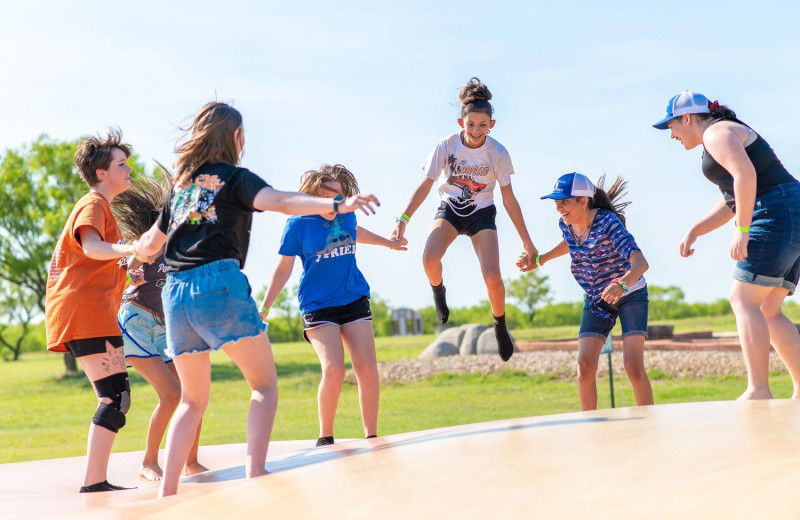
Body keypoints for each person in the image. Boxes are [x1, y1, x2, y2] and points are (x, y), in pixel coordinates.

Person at [132, 102, 380, 497]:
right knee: (263, 385)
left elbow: (148, 246)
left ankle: (169, 494)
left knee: (192, 400)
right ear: (235, 137)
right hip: (218, 283)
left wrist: (122, 249)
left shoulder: (179, 188)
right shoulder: (234, 178)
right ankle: (256, 478)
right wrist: (337, 203)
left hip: (175, 293)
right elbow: (282, 202)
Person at [653, 90, 800, 400]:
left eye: (671, 126)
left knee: (742, 299)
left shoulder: (716, 133)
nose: (671, 135)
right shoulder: (722, 134)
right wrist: (697, 229)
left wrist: (743, 229)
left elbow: (745, 175)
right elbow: (734, 195)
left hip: (776, 210)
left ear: (687, 118)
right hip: (790, 208)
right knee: (768, 308)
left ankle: (759, 389)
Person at [259, 164, 407, 447]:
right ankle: (325, 436)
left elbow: (356, 231)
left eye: (340, 195)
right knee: (334, 369)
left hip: (353, 297)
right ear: (315, 195)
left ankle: (372, 437)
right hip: (318, 306)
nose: (336, 201)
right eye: (330, 196)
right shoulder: (297, 224)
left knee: (367, 368)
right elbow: (282, 269)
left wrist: (388, 243)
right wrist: (265, 308)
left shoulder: (347, 215)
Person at [391, 77, 537, 361]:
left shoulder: (497, 153)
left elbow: (509, 199)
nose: (476, 130)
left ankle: (500, 325)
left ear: (491, 125)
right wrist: (403, 218)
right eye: (471, 125)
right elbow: (425, 185)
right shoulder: (446, 146)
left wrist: (528, 243)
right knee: (429, 258)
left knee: (492, 276)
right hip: (450, 209)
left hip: (482, 213)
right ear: (462, 123)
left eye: (482, 125)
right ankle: (438, 291)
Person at [45, 130, 139, 493]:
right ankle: (93, 482)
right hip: (83, 311)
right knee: (113, 399)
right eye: (121, 165)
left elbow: (100, 257)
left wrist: (127, 265)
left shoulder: (102, 206)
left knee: (119, 399)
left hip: (93, 311)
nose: (128, 170)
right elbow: (93, 246)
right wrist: (130, 247)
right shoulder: (93, 204)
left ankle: (96, 480)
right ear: (102, 173)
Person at [520, 172, 653, 411]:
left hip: (630, 293)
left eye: (565, 202)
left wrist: (621, 285)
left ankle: (649, 420)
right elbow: (569, 243)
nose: (559, 208)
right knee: (584, 363)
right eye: (557, 203)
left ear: (583, 200)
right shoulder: (567, 225)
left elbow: (641, 263)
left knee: (633, 365)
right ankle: (589, 424)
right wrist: (540, 259)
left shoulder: (607, 222)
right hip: (596, 298)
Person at [111, 172, 208, 481]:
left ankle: (191, 462)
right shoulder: (147, 238)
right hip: (137, 322)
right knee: (171, 395)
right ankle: (148, 463)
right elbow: (130, 263)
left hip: (167, 325)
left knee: (194, 395)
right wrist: (136, 265)